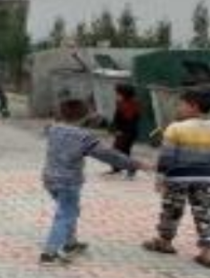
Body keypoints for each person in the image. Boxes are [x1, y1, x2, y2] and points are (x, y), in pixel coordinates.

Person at [40, 99, 146, 264]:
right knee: (66, 214)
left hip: (49, 179)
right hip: (68, 181)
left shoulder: (53, 129)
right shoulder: (84, 137)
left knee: (68, 210)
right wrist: (135, 164)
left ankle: (70, 243)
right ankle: (50, 254)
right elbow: (108, 155)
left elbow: (52, 123)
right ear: (85, 116)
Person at [143, 90, 210, 269]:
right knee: (206, 213)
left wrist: (160, 179)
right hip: (209, 178)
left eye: (181, 104)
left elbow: (166, 157)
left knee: (171, 210)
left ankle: (164, 242)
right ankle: (208, 253)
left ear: (193, 106)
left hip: (178, 177)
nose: (178, 108)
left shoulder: (175, 128)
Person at [108, 83, 142, 178]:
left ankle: (131, 168)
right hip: (122, 130)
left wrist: (121, 131)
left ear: (124, 94)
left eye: (119, 93)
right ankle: (117, 168)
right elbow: (116, 117)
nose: (117, 95)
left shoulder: (134, 104)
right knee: (120, 150)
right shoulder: (120, 103)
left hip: (129, 131)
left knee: (122, 150)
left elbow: (133, 119)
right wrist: (114, 128)